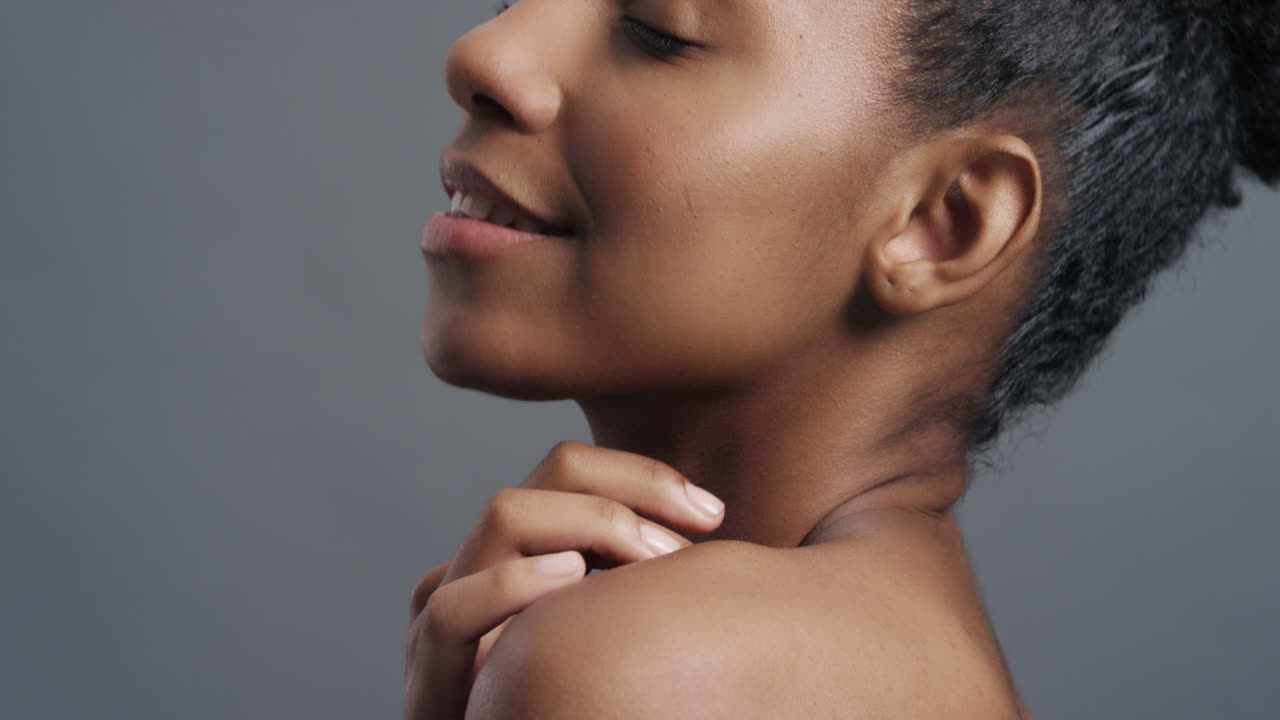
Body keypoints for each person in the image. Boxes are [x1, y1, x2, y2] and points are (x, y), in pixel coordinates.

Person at [404, 1, 1278, 717]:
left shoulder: (653, 670)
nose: (485, 52)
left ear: (945, 222)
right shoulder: (890, 657)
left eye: (657, 31)